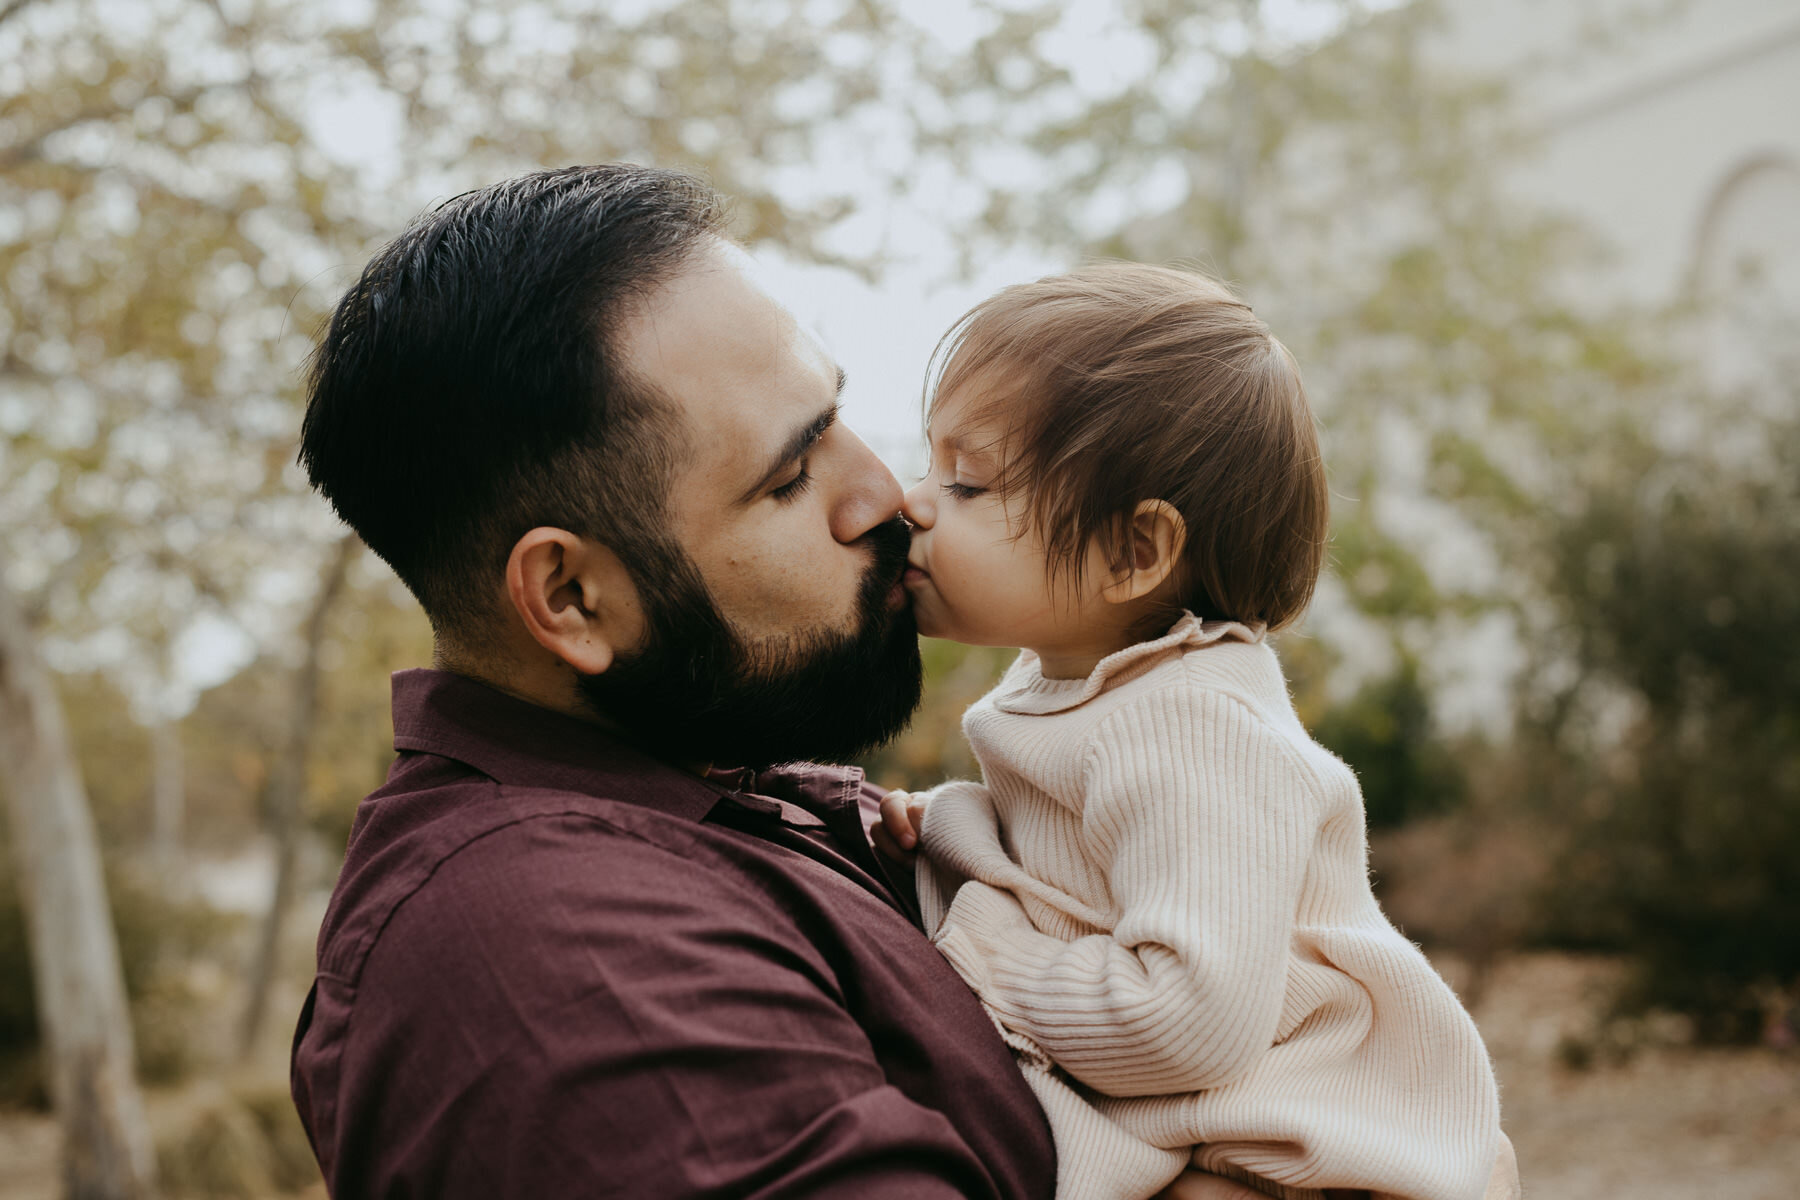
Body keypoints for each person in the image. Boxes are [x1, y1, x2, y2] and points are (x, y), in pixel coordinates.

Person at [288, 163, 1273, 1200]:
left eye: (837, 416)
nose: (885, 497)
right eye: (792, 477)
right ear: (573, 597)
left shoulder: (714, 793)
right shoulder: (553, 956)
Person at [873, 264, 1516, 1200]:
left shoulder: (1194, 727)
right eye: (933, 465)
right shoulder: (1083, 690)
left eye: (968, 483)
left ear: (1134, 553)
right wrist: (948, 827)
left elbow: (1183, 1023)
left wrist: (978, 935)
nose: (915, 501)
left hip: (1316, 1160)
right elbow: (1079, 877)